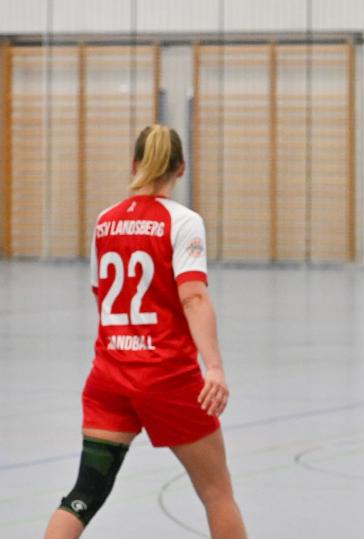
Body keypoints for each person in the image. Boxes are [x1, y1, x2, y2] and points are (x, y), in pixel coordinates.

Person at [44, 125, 247, 539]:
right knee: (216, 492)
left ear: (134, 164)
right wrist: (215, 367)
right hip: (168, 379)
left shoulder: (105, 221)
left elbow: (99, 293)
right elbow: (194, 297)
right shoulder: (183, 222)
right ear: (181, 169)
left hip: (110, 377)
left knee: (84, 494)